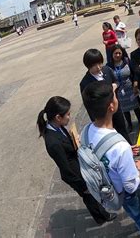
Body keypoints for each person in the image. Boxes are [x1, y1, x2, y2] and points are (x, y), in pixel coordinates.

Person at [81, 82, 140, 237]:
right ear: (111, 107)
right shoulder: (120, 146)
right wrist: (138, 168)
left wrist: (125, 155)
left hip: (110, 189)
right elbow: (131, 186)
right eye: (114, 96)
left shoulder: (85, 131)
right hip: (127, 194)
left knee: (135, 216)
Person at [37, 96, 116, 225]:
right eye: (67, 114)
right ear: (58, 117)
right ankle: (101, 217)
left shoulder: (56, 126)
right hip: (75, 174)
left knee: (91, 194)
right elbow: (65, 169)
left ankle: (100, 212)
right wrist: (82, 186)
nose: (69, 117)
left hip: (78, 165)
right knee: (88, 195)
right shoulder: (53, 142)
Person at [79, 49, 131, 143]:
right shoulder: (85, 83)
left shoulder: (106, 70)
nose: (98, 67)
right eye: (94, 65)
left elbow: (116, 81)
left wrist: (115, 86)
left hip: (115, 108)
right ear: (88, 66)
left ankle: (129, 146)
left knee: (122, 129)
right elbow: (88, 104)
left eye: (100, 63)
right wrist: (95, 120)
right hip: (103, 115)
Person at [107, 44, 140, 132]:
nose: (118, 55)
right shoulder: (109, 66)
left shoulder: (127, 61)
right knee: (124, 108)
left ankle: (139, 120)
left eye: (119, 53)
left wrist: (135, 83)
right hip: (119, 90)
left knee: (135, 105)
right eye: (115, 53)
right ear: (112, 54)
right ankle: (129, 123)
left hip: (130, 87)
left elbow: (134, 72)